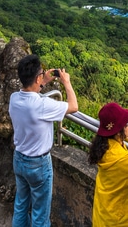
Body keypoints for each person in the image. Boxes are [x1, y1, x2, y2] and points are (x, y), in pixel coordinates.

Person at [8, 54, 78, 227]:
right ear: (37, 77)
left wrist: (42, 81)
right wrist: (66, 82)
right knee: (40, 214)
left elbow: (30, 92)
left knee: (21, 206)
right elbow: (74, 106)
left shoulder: (14, 98)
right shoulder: (42, 105)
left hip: (19, 159)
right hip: (38, 165)